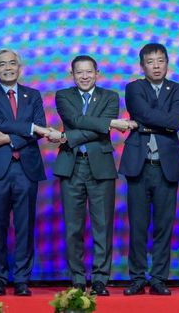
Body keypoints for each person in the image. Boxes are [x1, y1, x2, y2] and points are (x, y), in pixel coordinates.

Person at [119, 43, 179, 296]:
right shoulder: (134, 88)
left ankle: (159, 278)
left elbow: (163, 121)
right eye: (151, 61)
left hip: (166, 166)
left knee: (163, 226)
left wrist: (157, 121)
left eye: (161, 61)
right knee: (137, 225)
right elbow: (146, 114)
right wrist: (176, 120)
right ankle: (137, 278)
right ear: (142, 65)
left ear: (167, 63)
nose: (156, 66)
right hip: (139, 164)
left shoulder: (178, 89)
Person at [53, 55, 136, 296]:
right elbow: (75, 120)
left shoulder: (110, 96)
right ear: (72, 75)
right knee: (73, 227)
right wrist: (109, 123)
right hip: (72, 166)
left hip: (100, 167)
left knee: (102, 225)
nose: (85, 76)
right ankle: (77, 279)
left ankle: (100, 279)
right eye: (79, 72)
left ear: (97, 73)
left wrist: (68, 137)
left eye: (89, 71)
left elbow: (92, 130)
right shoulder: (63, 96)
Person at [0, 48, 55, 297]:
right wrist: (30, 129)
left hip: (26, 169)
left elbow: (39, 127)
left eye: (12, 63)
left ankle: (22, 279)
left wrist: (11, 138)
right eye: (3, 64)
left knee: (25, 226)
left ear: (19, 67)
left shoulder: (33, 95)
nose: (8, 67)